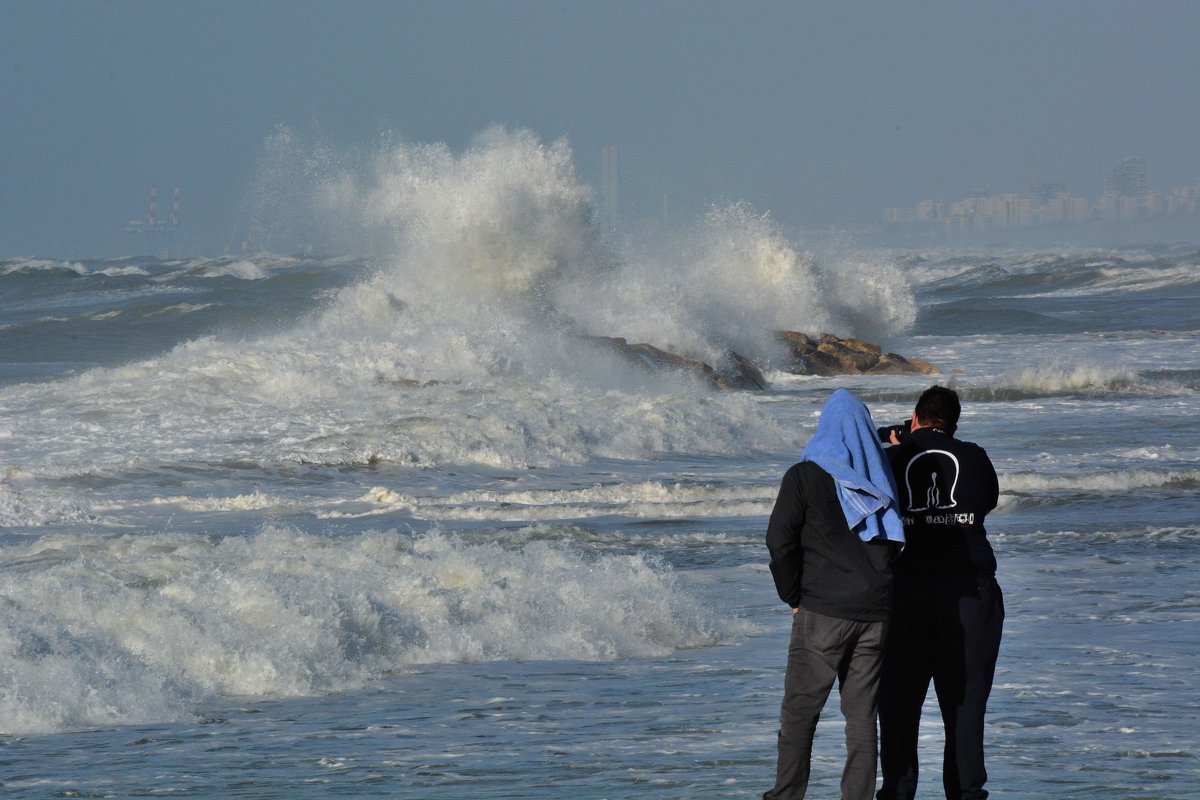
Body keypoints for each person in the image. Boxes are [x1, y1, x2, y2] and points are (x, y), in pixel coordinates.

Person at [764, 388, 906, 800]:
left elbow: (779, 541)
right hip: (876, 611)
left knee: (799, 716)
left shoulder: (804, 476)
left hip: (823, 612)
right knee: (862, 719)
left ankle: (786, 796)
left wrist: (792, 595)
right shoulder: (880, 477)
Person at [876, 386, 1003, 800]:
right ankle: (966, 795)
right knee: (965, 707)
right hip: (970, 593)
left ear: (914, 418)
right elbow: (987, 501)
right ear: (955, 423)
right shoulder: (975, 455)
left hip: (907, 594)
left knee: (899, 708)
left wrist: (899, 446)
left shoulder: (893, 457)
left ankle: (896, 793)